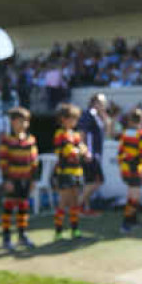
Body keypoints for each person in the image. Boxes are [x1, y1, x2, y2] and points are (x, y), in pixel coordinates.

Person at [0, 106, 38, 251]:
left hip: (26, 180)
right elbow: (3, 161)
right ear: (13, 122)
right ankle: (6, 238)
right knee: (9, 207)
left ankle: (22, 235)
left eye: (26, 121)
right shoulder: (6, 140)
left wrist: (33, 180)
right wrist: (7, 180)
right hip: (12, 179)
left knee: (23, 207)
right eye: (20, 121)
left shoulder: (31, 139)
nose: (24, 124)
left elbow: (34, 162)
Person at [53, 103, 88, 240]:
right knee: (63, 202)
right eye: (71, 118)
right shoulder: (60, 134)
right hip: (64, 173)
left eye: (75, 118)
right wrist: (80, 151)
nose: (74, 121)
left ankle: (75, 230)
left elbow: (83, 149)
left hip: (77, 172)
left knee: (75, 202)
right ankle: (58, 231)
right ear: (63, 119)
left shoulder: (75, 134)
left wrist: (80, 150)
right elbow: (70, 152)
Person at [117, 108, 142, 234]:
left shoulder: (125, 133)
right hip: (135, 168)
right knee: (134, 197)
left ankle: (134, 220)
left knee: (132, 195)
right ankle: (126, 224)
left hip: (126, 168)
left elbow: (119, 153)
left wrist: (122, 167)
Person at [77, 93, 108, 216]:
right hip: (90, 155)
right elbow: (81, 134)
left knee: (89, 182)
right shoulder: (88, 114)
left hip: (96, 154)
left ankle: (85, 208)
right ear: (94, 102)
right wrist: (85, 151)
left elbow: (108, 131)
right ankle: (77, 206)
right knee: (96, 181)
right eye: (101, 102)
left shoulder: (97, 116)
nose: (103, 104)